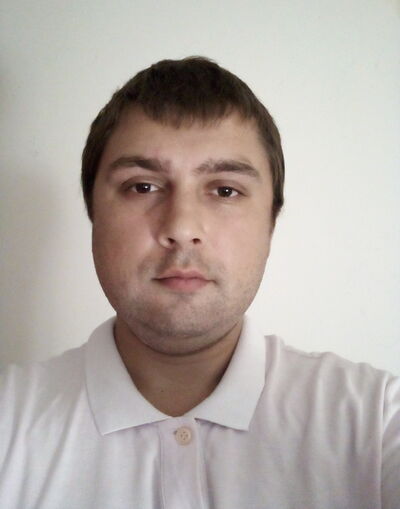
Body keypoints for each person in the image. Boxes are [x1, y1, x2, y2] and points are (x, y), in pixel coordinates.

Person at [0, 57, 399, 509]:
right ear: (94, 215)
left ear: (271, 222)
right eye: (142, 187)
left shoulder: (377, 420)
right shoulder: (9, 419)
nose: (182, 227)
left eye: (225, 190)